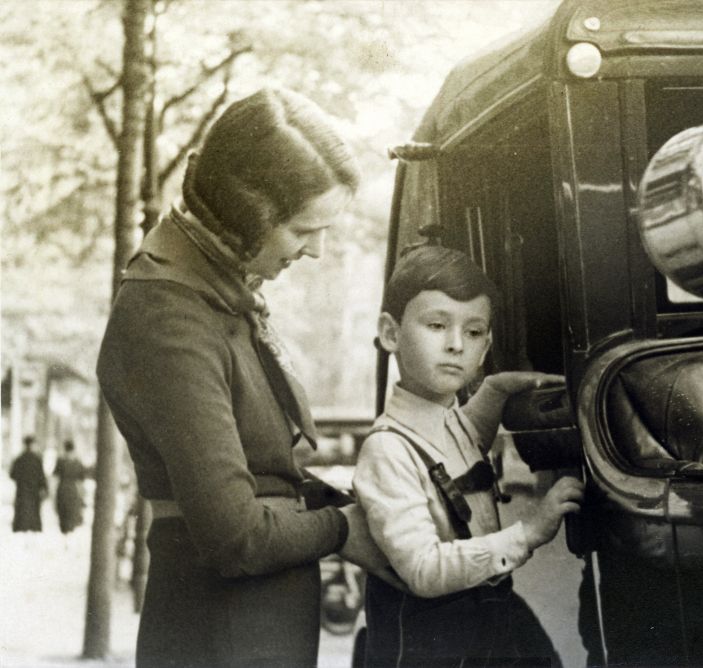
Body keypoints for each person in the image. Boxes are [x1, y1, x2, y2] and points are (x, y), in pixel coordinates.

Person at [96, 88, 393, 668]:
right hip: (221, 629)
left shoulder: (209, 289)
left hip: (245, 625)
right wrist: (341, 528)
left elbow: (268, 476)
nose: (316, 250)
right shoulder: (170, 313)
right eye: (305, 230)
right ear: (246, 212)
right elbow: (233, 533)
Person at [354, 246, 585, 666]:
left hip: (481, 626)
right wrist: (527, 533)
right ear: (391, 333)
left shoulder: (452, 423)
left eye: (474, 332)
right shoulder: (387, 448)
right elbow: (423, 569)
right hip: (427, 647)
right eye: (437, 325)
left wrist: (494, 391)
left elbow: (461, 442)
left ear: (486, 345)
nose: (457, 344)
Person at [10, 435, 47, 533]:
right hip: (34, 491)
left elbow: (12, 475)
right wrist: (44, 488)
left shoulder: (19, 459)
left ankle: (22, 529)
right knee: (33, 513)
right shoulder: (37, 459)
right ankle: (33, 529)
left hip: (22, 490)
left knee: (22, 512)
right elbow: (42, 476)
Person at [52, 439, 86, 534]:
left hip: (62, 489)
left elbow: (55, 478)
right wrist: (82, 495)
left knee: (63, 513)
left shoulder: (60, 462)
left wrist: (53, 493)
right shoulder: (78, 463)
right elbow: (81, 482)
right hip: (73, 490)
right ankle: (70, 535)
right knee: (72, 513)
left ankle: (65, 535)